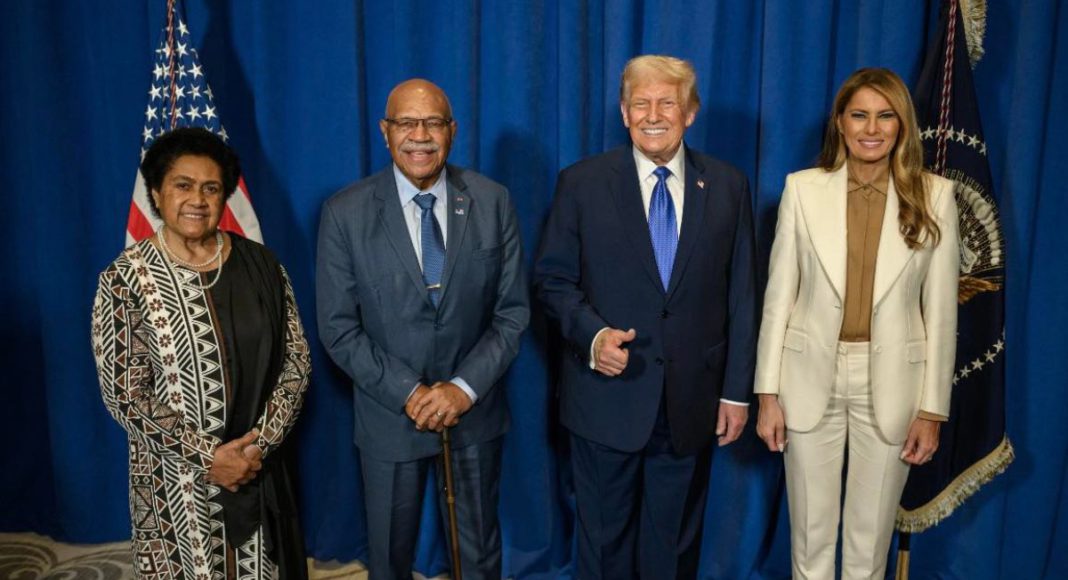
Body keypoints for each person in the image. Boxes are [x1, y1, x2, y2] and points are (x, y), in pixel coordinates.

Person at [534, 55, 757, 579]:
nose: (653, 114)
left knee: (673, 548)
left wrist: (735, 392)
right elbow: (552, 280)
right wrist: (592, 337)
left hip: (691, 404)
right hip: (605, 400)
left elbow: (743, 294)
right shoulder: (581, 184)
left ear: (691, 112)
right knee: (603, 548)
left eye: (667, 103)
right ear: (623, 110)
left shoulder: (727, 186)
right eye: (641, 103)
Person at [316, 79, 529, 580]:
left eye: (433, 123)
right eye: (407, 123)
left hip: (473, 413)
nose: (420, 136)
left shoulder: (491, 200)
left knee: (479, 554)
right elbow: (338, 327)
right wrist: (409, 392)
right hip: (391, 416)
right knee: (390, 556)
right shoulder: (344, 213)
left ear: (452, 131)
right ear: (385, 132)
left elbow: (512, 312)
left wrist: (461, 389)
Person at [754, 67, 959, 579]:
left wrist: (932, 409)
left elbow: (941, 311)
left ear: (902, 125)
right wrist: (767, 392)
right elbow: (778, 298)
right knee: (810, 536)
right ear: (840, 123)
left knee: (869, 544)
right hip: (808, 377)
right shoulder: (801, 190)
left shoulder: (936, 196)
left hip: (892, 384)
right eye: (860, 115)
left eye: (886, 116)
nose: (872, 128)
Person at [92, 127, 311, 579]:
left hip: (258, 471)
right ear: (156, 192)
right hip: (175, 487)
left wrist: (255, 449)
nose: (198, 199)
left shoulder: (262, 265)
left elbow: (296, 362)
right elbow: (126, 396)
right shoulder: (124, 280)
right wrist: (212, 457)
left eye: (211, 188)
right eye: (183, 185)